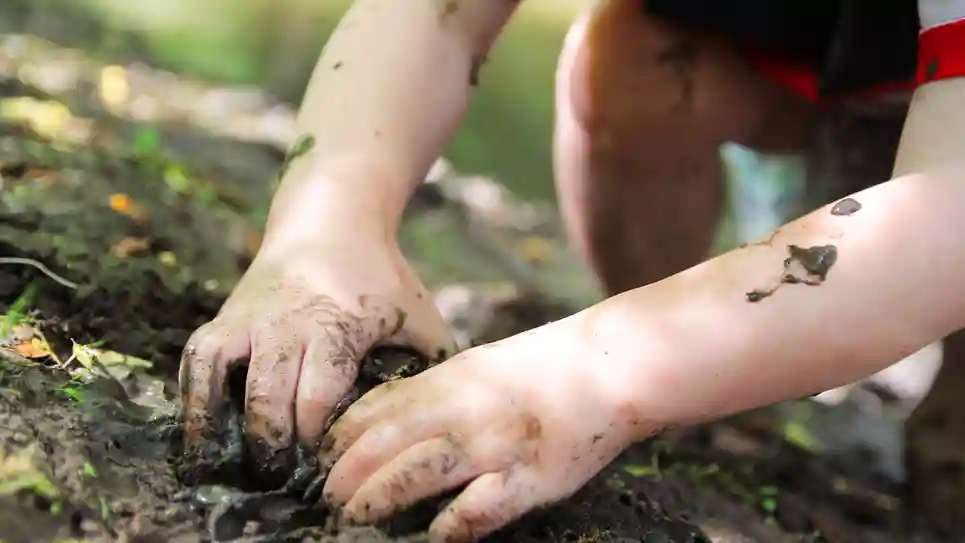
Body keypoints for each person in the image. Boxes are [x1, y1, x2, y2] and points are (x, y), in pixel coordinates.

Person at [179, 0, 965, 540]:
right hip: (832, 58)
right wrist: (328, 226)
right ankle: (713, 402)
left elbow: (947, 211)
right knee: (641, 57)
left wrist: (594, 368)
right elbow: (435, 17)